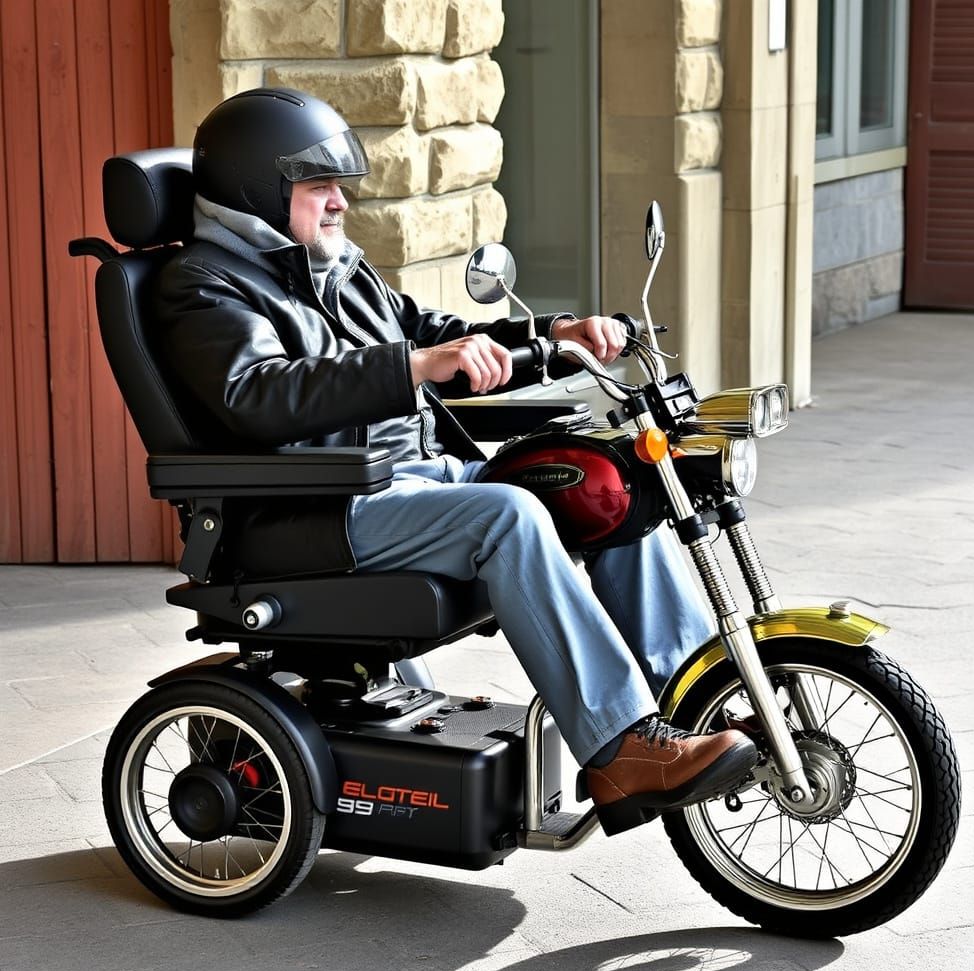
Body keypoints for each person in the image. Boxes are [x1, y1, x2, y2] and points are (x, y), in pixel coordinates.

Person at [158, 87, 756, 836]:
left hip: (417, 482)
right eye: (319, 186)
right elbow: (257, 395)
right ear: (259, 189)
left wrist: (552, 335)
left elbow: (433, 332)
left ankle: (693, 702)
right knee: (509, 516)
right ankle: (620, 749)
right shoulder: (202, 284)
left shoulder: (330, 266)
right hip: (316, 511)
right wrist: (413, 366)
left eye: (340, 184)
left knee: (605, 487)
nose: (340, 202)